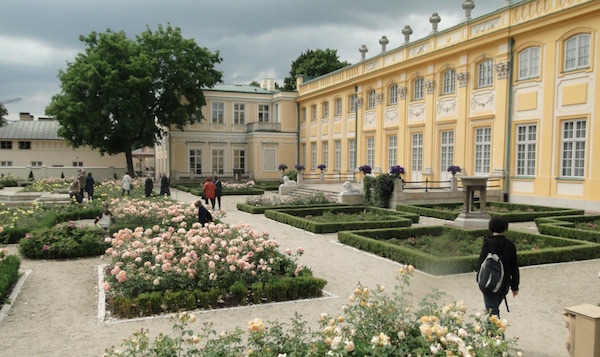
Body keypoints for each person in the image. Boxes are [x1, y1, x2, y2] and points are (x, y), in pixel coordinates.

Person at [476, 216, 520, 317]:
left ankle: (498, 332)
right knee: (493, 310)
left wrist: (479, 278)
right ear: (505, 228)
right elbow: (514, 267)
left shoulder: (488, 243)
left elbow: (481, 262)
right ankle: (491, 332)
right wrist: (514, 287)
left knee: (492, 313)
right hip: (504, 284)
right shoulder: (510, 245)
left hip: (489, 283)